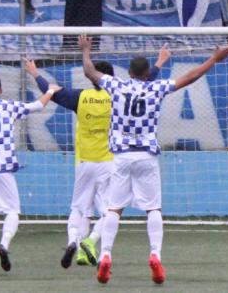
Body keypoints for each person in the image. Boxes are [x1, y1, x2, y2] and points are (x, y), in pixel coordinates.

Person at [78, 34, 228, 285]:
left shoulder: (116, 86)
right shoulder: (155, 88)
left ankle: (106, 255)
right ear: (146, 73)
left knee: (114, 209)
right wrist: (214, 58)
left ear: (128, 72)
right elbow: (190, 77)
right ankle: (155, 255)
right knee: (153, 208)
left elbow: (89, 71)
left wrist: (86, 49)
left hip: (121, 156)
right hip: (146, 157)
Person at [24, 47, 170, 268]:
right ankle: (91, 242)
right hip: (111, 163)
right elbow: (147, 83)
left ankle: (73, 241)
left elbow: (52, 92)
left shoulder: (80, 97)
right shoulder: (119, 95)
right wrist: (159, 63)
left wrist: (35, 73)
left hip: (84, 163)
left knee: (78, 209)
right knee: (109, 211)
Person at [0, 75, 56, 275]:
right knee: (13, 210)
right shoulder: (7, 106)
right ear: (0, 90)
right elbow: (38, 105)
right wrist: (50, 90)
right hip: (1, 165)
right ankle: (4, 244)